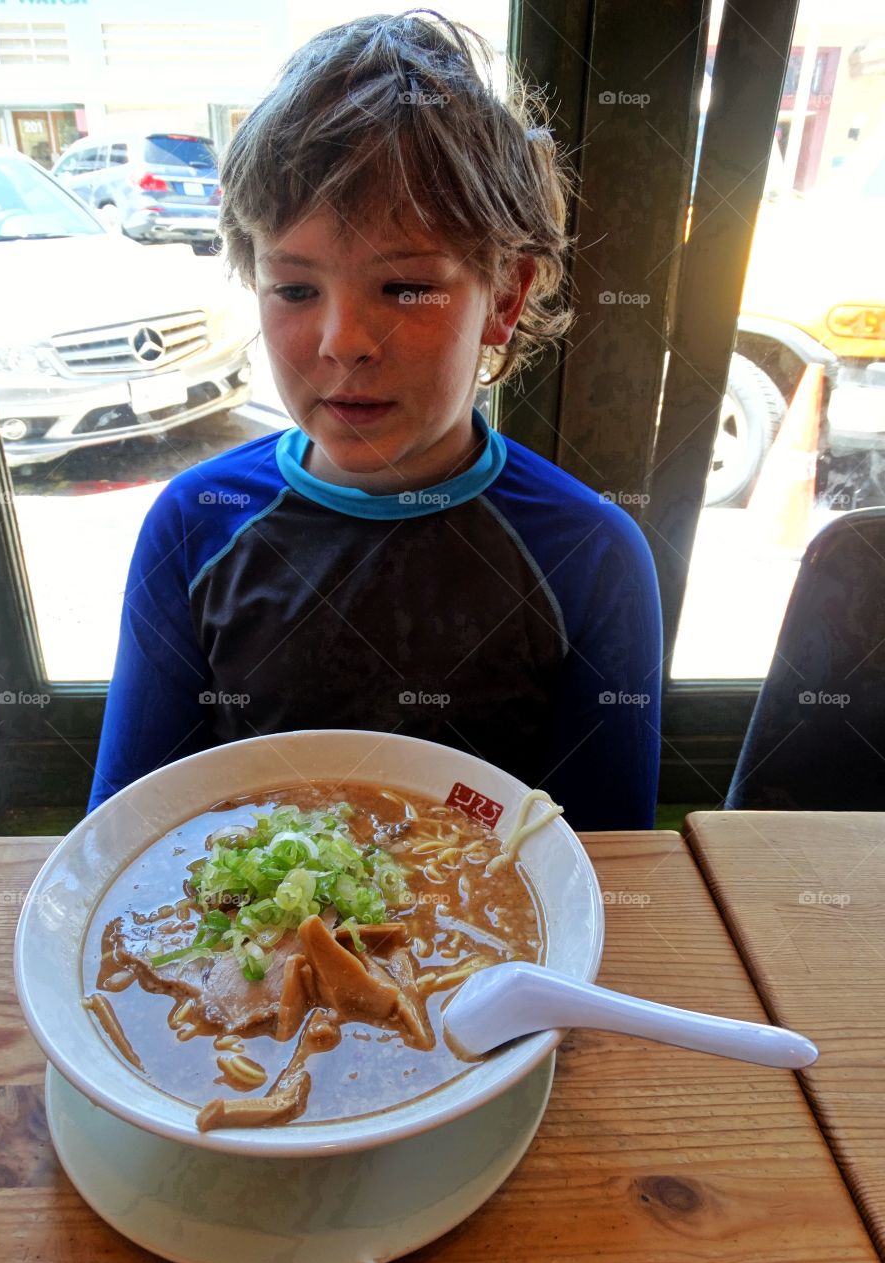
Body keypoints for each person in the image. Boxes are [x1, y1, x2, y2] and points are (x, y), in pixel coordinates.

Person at [87, 9, 662, 829]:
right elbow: (122, 824)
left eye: (403, 289)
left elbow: (609, 858)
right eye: (294, 289)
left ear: (505, 297)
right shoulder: (195, 524)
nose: (342, 342)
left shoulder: (588, 554)